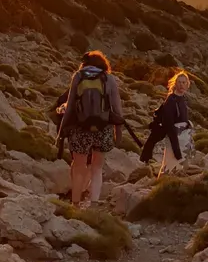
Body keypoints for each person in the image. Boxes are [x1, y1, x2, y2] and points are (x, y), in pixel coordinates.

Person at [57, 50, 125, 206]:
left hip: (80, 128)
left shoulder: (78, 76)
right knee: (97, 167)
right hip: (103, 128)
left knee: (78, 166)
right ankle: (93, 205)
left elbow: (70, 106)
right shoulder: (109, 78)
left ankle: (75, 204)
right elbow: (117, 109)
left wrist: (61, 131)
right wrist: (118, 132)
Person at [139, 70, 193, 175]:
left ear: (187, 85)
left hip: (181, 137)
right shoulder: (171, 101)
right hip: (173, 138)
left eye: (184, 82)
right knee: (171, 167)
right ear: (175, 84)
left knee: (179, 168)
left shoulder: (183, 99)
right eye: (179, 82)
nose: (181, 85)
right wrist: (177, 151)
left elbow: (182, 119)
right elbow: (169, 126)